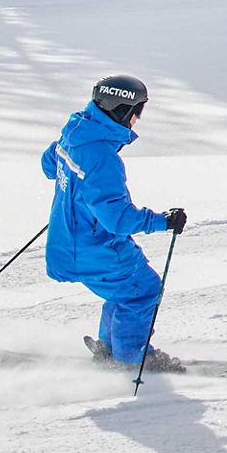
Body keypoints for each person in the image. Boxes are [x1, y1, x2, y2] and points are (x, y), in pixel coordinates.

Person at [44, 75, 188, 372]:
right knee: (142, 289)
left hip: (68, 239)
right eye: (138, 111)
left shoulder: (76, 131)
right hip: (92, 246)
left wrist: (76, 190)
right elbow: (117, 218)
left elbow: (49, 164)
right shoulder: (101, 157)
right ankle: (131, 358)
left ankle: (110, 348)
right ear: (121, 109)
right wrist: (163, 222)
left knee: (125, 289)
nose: (137, 119)